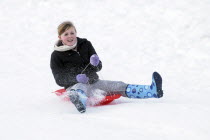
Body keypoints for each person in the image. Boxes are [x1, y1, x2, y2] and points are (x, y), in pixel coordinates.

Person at [50, 21, 164, 113]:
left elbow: (98, 67)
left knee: (119, 85)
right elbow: (59, 79)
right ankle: (79, 101)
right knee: (80, 87)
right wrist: (76, 78)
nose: (70, 36)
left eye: (72, 33)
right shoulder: (56, 55)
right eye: (66, 34)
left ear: (76, 33)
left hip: (94, 81)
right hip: (74, 86)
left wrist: (96, 63)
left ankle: (152, 91)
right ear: (60, 37)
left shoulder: (85, 44)